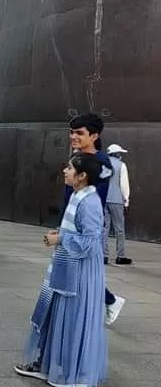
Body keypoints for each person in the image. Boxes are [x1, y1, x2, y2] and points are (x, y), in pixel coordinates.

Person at [14, 153, 107, 387]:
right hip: (69, 267)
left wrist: (61, 238)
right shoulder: (80, 196)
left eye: (69, 168)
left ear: (82, 175)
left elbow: (90, 242)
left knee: (73, 318)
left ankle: (70, 372)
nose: (65, 171)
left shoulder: (89, 202)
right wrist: (60, 235)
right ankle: (51, 365)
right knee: (59, 316)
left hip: (80, 273)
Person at [64, 114, 125, 325]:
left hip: (86, 226)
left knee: (85, 274)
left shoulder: (102, 162)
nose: (73, 136)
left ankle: (110, 300)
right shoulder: (76, 158)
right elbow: (68, 194)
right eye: (72, 132)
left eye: (79, 133)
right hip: (70, 223)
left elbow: (95, 198)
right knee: (75, 274)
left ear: (94, 135)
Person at [104, 143, 132, 266]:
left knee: (104, 229)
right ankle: (120, 256)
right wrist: (126, 200)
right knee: (119, 229)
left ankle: (104, 256)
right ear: (117, 154)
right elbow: (124, 185)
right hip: (116, 200)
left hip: (104, 199)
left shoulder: (102, 164)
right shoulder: (122, 165)